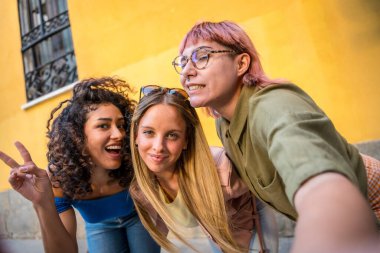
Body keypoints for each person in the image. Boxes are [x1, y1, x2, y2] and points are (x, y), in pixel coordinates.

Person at [173, 21, 380, 253]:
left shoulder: (273, 105)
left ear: (241, 63)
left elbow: (322, 186)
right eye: (182, 62)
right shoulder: (224, 124)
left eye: (202, 57)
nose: (187, 72)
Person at [0, 77, 160, 253]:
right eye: (103, 126)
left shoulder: (134, 159)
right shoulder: (60, 177)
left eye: (121, 125)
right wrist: (42, 203)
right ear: (77, 137)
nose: (119, 134)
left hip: (139, 216)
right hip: (99, 224)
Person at [129, 85, 278, 253]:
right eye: (149, 132)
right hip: (216, 237)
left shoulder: (223, 170)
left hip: (250, 234)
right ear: (135, 135)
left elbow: (264, 186)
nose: (158, 147)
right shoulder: (140, 188)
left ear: (186, 140)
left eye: (172, 135)